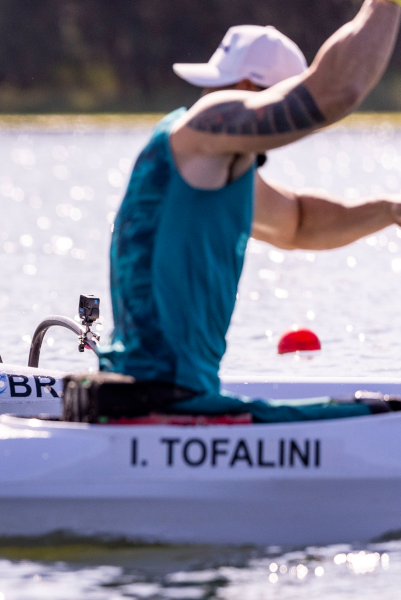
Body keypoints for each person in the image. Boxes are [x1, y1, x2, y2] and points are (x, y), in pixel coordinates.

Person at [100, 2, 401, 422]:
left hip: (166, 396)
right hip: (163, 404)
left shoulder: (207, 166)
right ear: (248, 87)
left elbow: (297, 223)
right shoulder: (204, 127)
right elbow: (337, 92)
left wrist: (389, 210)